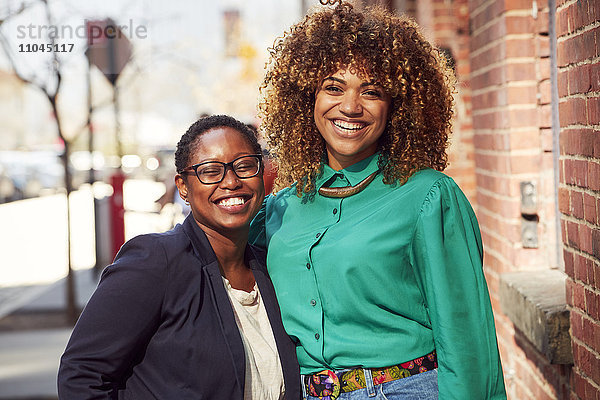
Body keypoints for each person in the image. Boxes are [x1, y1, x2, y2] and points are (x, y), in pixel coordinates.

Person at [250, 2, 506, 399]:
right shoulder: (279, 209)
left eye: (371, 92)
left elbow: (466, 339)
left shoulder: (428, 196)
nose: (350, 107)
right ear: (306, 99)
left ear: (397, 107)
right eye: (333, 87)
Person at [58, 115, 301, 399]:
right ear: (183, 187)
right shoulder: (154, 261)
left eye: (245, 166)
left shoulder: (272, 266)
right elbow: (81, 375)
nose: (232, 181)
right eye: (211, 171)